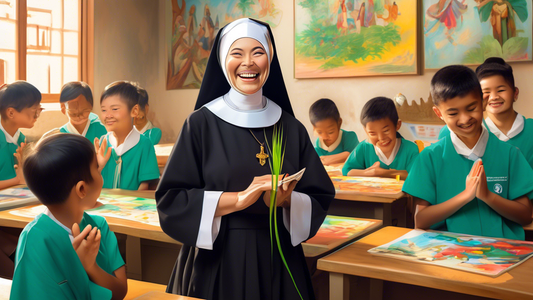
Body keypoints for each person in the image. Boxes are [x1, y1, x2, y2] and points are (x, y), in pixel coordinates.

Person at [156, 18, 334, 300]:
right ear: (223, 60)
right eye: (237, 54)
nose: (248, 63)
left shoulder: (290, 127)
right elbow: (171, 199)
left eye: (258, 52)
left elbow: (319, 193)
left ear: (270, 59)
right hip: (217, 258)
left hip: (278, 257)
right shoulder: (201, 123)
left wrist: (286, 201)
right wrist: (237, 199)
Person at [403, 65, 533, 240]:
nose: (465, 119)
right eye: (453, 113)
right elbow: (420, 220)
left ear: (483, 101)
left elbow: (525, 215)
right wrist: (465, 196)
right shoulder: (429, 158)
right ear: (438, 113)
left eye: (471, 108)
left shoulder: (511, 154)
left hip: (502, 253)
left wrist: (488, 196)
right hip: (449, 253)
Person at [10, 134, 127, 300]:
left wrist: (91, 266)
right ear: (81, 189)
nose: (101, 175)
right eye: (97, 168)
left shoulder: (99, 226)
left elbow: (120, 292)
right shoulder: (35, 240)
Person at [438, 57, 533, 169]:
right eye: (485, 92)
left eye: (501, 90)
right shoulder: (460, 131)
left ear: (515, 93)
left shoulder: (530, 129)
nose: (493, 97)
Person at [97, 81, 160, 190]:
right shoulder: (103, 142)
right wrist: (100, 166)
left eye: (114, 109)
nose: (108, 115)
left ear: (134, 111)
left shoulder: (144, 144)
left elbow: (145, 185)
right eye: (103, 110)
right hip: (105, 205)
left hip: (133, 205)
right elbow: (93, 182)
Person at [341, 97, 419, 180]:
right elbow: (347, 170)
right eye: (373, 133)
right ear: (366, 131)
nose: (381, 138)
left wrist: (382, 173)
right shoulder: (364, 147)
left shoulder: (411, 149)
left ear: (397, 125)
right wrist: (370, 173)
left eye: (386, 131)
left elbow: (415, 175)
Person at [0, 81, 41, 189]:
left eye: (39, 110)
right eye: (34, 110)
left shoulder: (22, 139)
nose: (37, 115)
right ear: (11, 113)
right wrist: (17, 180)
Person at [309, 98, 358, 165]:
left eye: (330, 132)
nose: (325, 136)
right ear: (314, 128)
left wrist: (328, 159)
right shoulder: (318, 145)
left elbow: (355, 155)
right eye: (320, 132)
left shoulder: (349, 137)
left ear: (339, 123)